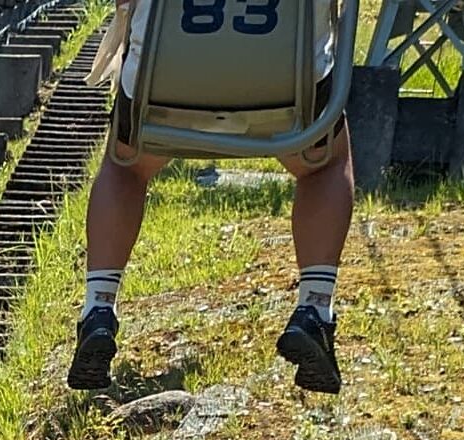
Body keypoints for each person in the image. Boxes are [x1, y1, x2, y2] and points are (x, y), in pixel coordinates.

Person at [71, 0, 354, 394]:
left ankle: (98, 308)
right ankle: (315, 308)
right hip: (286, 87)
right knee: (324, 163)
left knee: (126, 166)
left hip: (163, 84)